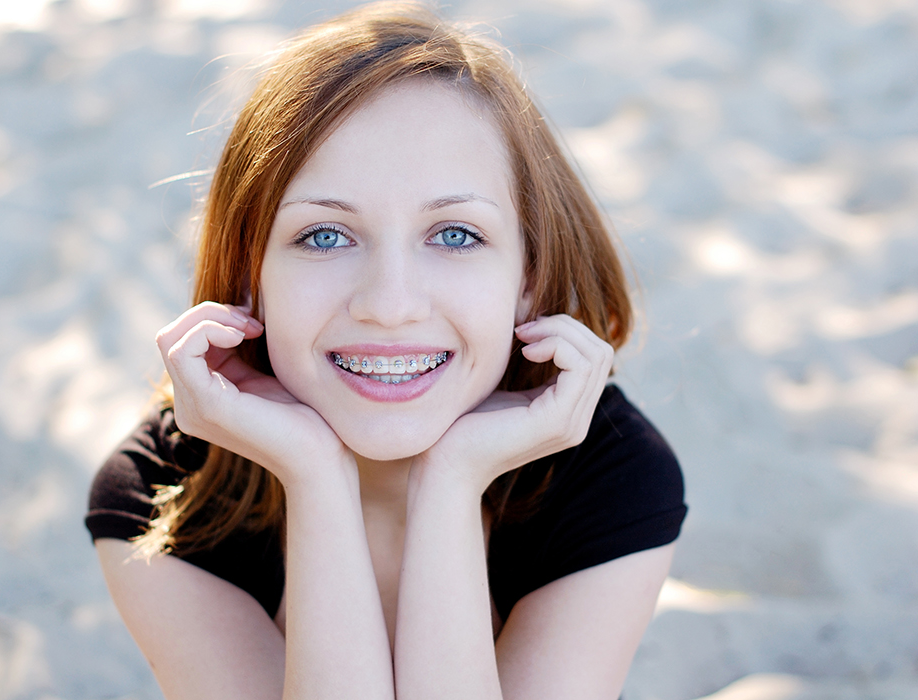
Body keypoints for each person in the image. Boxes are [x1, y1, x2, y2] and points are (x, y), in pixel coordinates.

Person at [84, 3, 687, 698]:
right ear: (251, 276)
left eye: (455, 234)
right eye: (325, 236)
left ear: (530, 278)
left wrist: (452, 481)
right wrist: (314, 477)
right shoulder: (166, 494)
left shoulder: (608, 472)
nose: (390, 304)